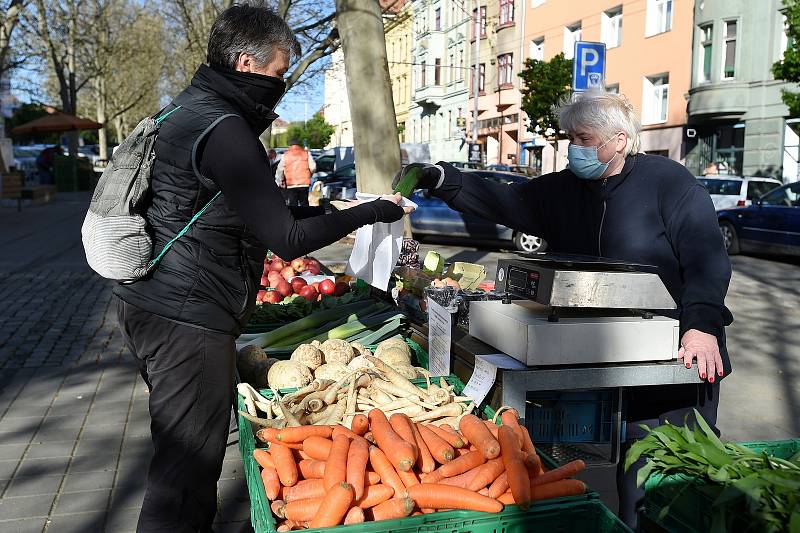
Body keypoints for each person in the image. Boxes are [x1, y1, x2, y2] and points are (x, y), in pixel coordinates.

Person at [113, 6, 410, 533]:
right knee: (184, 478)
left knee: (180, 461)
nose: (281, 83)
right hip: (188, 318)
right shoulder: (225, 130)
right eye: (278, 72)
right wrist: (373, 212)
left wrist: (339, 211)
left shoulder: (185, 112)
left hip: (150, 302)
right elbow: (286, 239)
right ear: (247, 61)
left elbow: (256, 214)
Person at [395, 90, 732, 529]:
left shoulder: (670, 183)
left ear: (619, 140)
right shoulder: (563, 190)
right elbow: (506, 201)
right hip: (591, 348)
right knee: (578, 463)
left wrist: (702, 325)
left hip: (672, 347)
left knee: (657, 471)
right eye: (571, 137)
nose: (575, 147)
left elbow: (707, 259)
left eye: (585, 138)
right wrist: (443, 179)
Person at [276, 138, 315, 206]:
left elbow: (280, 169)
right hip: (304, 183)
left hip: (291, 184)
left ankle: (295, 216)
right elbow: (313, 167)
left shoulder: (285, 155)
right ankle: (306, 216)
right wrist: (309, 174)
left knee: (293, 204)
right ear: (299, 145)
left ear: (290, 146)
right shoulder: (306, 153)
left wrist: (280, 180)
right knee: (304, 204)